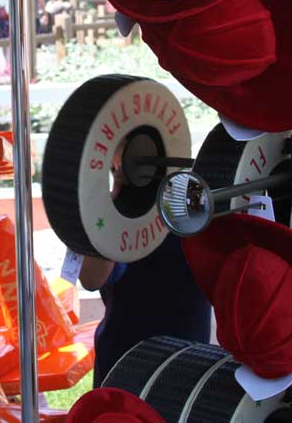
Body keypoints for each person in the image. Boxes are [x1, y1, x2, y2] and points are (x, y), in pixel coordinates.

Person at [79, 157, 212, 386]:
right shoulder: (115, 215)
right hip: (126, 363)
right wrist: (113, 207)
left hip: (185, 361)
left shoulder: (194, 201)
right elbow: (91, 278)